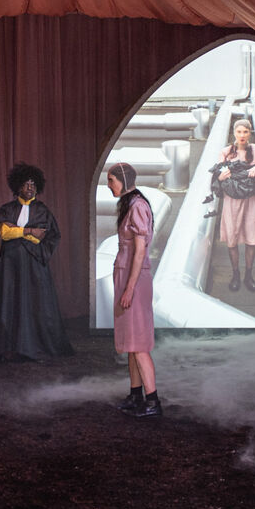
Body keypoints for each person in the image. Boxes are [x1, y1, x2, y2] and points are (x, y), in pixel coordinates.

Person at [0, 163, 73, 362]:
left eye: (33, 184)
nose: (30, 187)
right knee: (10, 303)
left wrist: (16, 231)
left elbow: (46, 237)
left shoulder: (43, 211)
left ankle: (33, 347)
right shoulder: (6, 209)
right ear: (18, 187)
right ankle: (9, 348)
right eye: (26, 184)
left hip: (33, 266)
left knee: (35, 304)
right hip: (10, 267)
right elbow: (2, 233)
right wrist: (29, 232)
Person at [107, 162, 161, 417]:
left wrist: (129, 289)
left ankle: (153, 402)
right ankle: (136, 395)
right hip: (127, 277)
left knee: (139, 344)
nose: (109, 185)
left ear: (123, 180)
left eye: (111, 180)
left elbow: (140, 252)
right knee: (131, 341)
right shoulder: (129, 204)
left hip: (134, 279)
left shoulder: (138, 206)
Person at [214, 118, 255, 292]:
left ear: (250, 133)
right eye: (239, 132)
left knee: (251, 239)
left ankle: (248, 275)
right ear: (234, 133)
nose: (242, 135)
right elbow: (217, 176)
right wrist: (220, 177)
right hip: (231, 201)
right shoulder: (225, 152)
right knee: (232, 239)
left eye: (245, 131)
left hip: (251, 200)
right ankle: (236, 274)